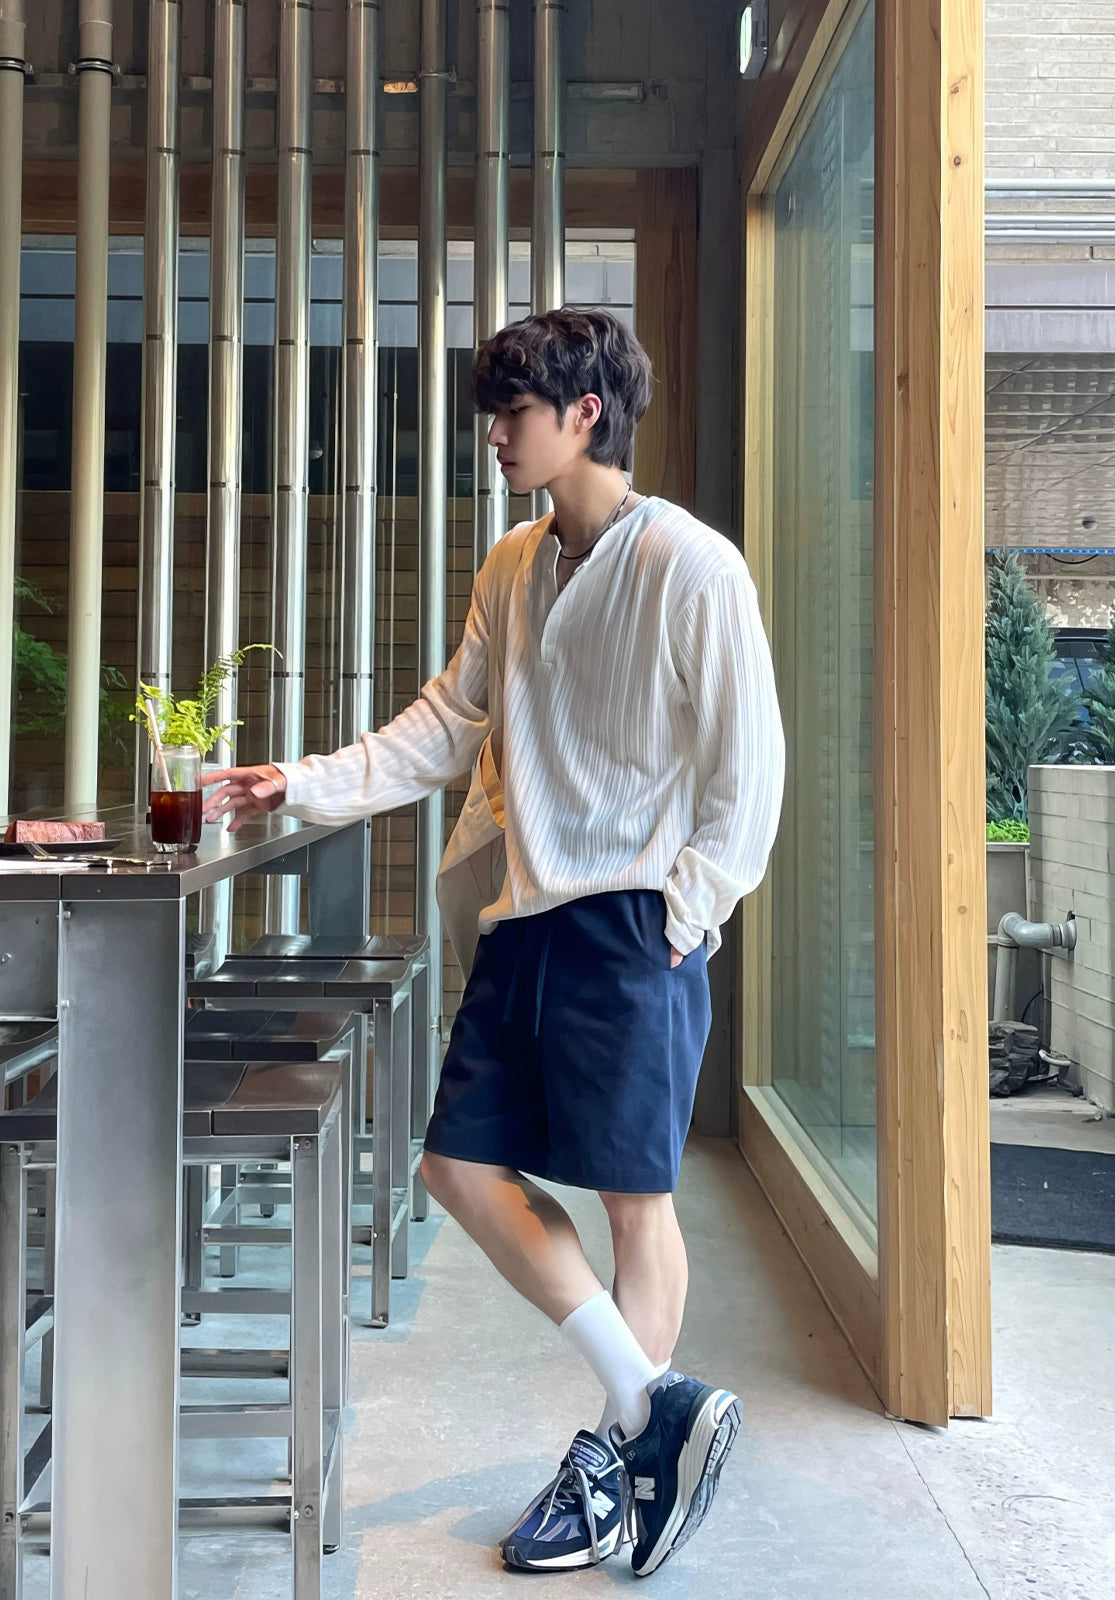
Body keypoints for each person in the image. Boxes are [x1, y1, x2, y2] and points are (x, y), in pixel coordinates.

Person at [204, 307, 785, 1578]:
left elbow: (751, 771)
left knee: (635, 1199)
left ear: (586, 414)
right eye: (493, 415)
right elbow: (442, 724)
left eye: (514, 413)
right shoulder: (514, 564)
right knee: (457, 1169)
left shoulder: (692, 566)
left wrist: (683, 915)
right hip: (524, 917)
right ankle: (656, 1407)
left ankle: (611, 1477)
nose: (496, 436)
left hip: (634, 926)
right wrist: (298, 781)